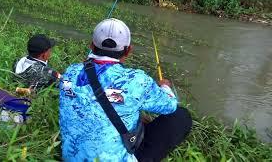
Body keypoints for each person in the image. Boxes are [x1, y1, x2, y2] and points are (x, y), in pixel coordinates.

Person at [59, 18, 192, 162]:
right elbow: (170, 105)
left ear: (91, 45)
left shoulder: (70, 72)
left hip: (71, 158)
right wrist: (164, 86)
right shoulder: (137, 80)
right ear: (128, 51)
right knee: (181, 116)